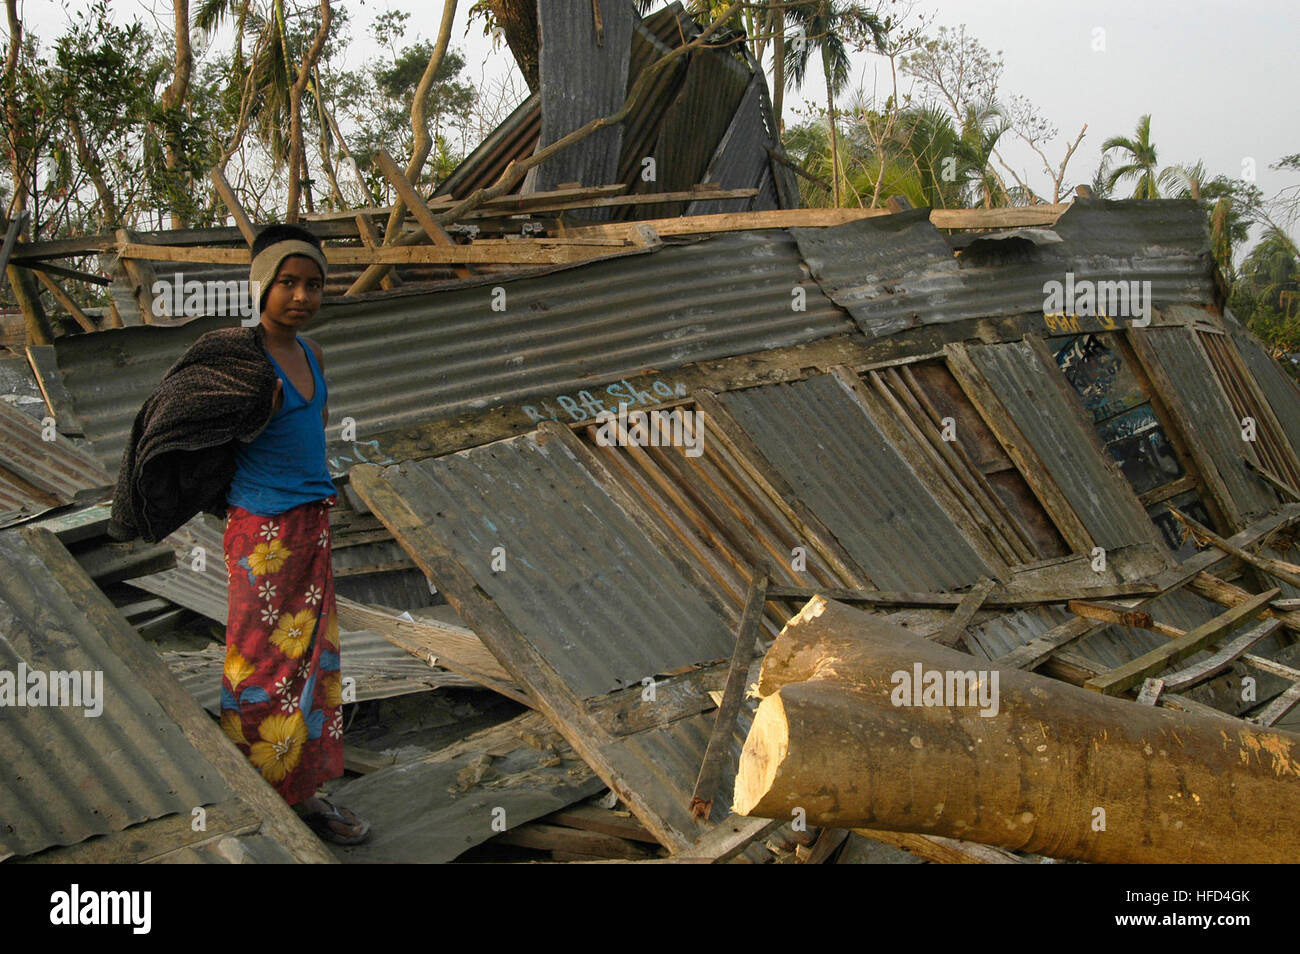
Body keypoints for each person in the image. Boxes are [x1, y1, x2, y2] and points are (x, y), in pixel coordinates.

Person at [219, 224, 370, 844]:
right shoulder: (235, 356)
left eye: (312, 284)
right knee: (259, 663)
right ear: (261, 285)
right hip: (263, 535)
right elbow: (193, 435)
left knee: (310, 662)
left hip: (312, 524)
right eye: (287, 283)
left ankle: (304, 791)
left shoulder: (313, 355)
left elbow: (315, 430)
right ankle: (253, 795)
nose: (301, 296)